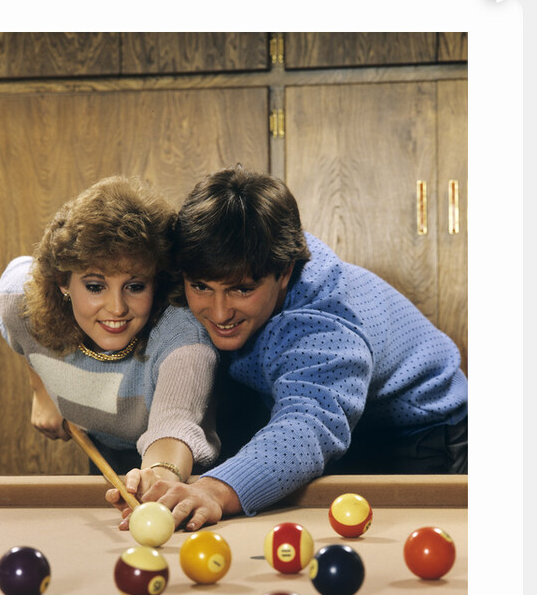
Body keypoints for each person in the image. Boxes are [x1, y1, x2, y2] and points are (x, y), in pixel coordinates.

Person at [109, 165, 468, 532]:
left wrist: (215, 491)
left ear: (284, 272)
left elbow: (308, 423)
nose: (218, 312)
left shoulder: (323, 322)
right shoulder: (201, 264)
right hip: (318, 422)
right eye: (201, 286)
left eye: (242, 290)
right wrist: (45, 392)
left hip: (419, 434)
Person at [0, 176, 221, 504]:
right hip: (107, 454)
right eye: (95, 286)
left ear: (156, 282)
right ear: (62, 281)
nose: (117, 308)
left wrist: (160, 475)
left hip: (196, 471)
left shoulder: (185, 339)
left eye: (135, 286)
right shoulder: (20, 302)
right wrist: (40, 390)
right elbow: (15, 290)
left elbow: (175, 424)